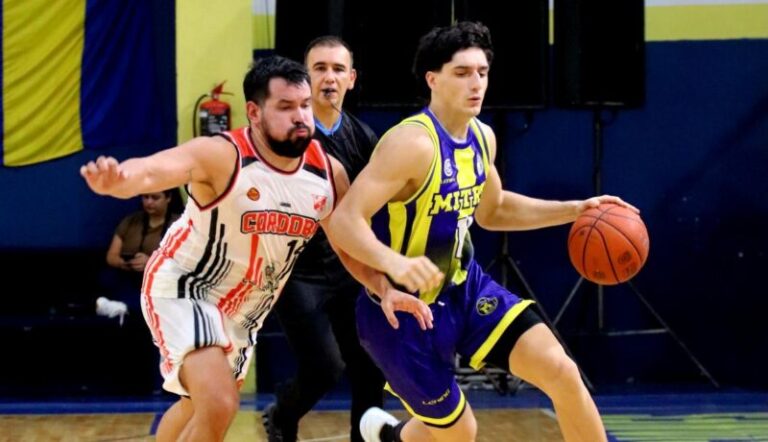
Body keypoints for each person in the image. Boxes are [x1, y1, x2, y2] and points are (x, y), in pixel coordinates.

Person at [80, 55, 430, 442]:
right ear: (254, 112)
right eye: (285, 107)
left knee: (195, 406)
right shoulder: (223, 155)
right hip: (187, 286)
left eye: (304, 105)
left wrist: (384, 288)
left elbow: (347, 245)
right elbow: (153, 170)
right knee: (219, 402)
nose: (300, 116)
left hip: (245, 311)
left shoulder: (330, 173)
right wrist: (118, 180)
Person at [327, 22, 637, 442]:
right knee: (459, 432)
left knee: (562, 372)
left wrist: (577, 210)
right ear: (432, 79)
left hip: (464, 289)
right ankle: (391, 437)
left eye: (482, 72)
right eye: (462, 73)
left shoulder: (480, 137)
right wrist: (395, 265)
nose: (476, 83)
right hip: (400, 310)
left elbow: (495, 209)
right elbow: (346, 221)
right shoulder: (412, 145)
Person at [262, 36, 385, 442]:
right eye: (319, 68)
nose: (328, 77)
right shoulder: (286, 135)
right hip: (297, 271)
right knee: (324, 368)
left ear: (351, 79)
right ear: (305, 78)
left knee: (371, 366)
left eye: (337, 69)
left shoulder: (364, 138)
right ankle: (283, 412)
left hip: (347, 268)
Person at [98, 189, 183, 320]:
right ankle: (123, 307)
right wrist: (124, 263)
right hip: (128, 276)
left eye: (155, 198)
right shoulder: (130, 221)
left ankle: (124, 307)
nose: (149, 202)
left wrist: (151, 263)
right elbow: (111, 256)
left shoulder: (179, 225)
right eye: (145, 197)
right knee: (106, 277)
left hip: (160, 280)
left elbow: (184, 262)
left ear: (168, 198)